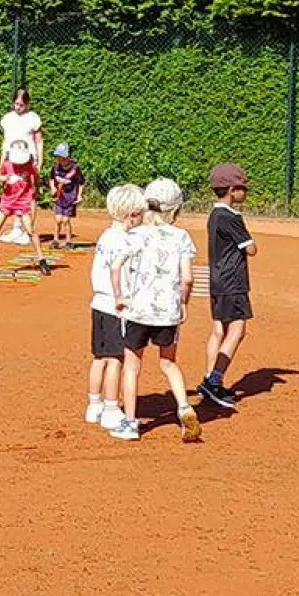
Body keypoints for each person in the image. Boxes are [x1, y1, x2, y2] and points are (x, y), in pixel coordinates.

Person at [111, 178, 201, 443]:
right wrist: (183, 304)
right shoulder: (182, 237)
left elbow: (116, 266)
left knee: (132, 366)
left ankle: (130, 422)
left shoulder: (135, 234)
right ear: (176, 208)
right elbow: (187, 279)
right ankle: (184, 407)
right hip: (168, 313)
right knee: (168, 363)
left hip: (138, 310)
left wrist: (119, 296)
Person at [87, 183, 147, 434]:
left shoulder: (106, 235)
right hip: (115, 305)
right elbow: (120, 271)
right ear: (131, 215)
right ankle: (111, 408)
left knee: (99, 357)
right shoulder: (123, 241)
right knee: (116, 359)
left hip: (98, 303)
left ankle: (94, 404)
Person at [198, 163, 255, 409]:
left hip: (217, 280)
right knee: (237, 330)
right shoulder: (232, 217)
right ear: (232, 190)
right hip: (233, 282)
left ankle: (210, 378)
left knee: (219, 331)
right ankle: (214, 380)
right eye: (243, 188)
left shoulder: (214, 215)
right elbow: (251, 249)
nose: (245, 192)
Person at [0, 138, 51, 276]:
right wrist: (5, 178)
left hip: (23, 201)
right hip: (7, 201)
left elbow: (36, 178)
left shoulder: (30, 166)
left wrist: (34, 191)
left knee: (30, 231)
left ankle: (41, 260)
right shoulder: (7, 165)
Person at [0, 88, 43, 246]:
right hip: (11, 160)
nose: (18, 107)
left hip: (28, 160)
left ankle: (28, 232)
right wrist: (1, 162)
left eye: (21, 105)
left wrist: (39, 162)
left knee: (30, 194)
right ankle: (16, 229)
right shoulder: (7, 119)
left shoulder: (33, 118)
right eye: (16, 104)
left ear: (28, 104)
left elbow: (39, 141)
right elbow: (5, 142)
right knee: (12, 191)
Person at [49, 143, 85, 251]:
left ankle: (69, 241)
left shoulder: (75, 168)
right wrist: (53, 188)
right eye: (58, 157)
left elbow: (81, 183)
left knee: (65, 220)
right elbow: (51, 179)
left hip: (70, 197)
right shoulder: (55, 167)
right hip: (59, 197)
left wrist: (79, 195)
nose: (60, 159)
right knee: (58, 219)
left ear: (68, 156)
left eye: (63, 157)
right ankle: (55, 240)